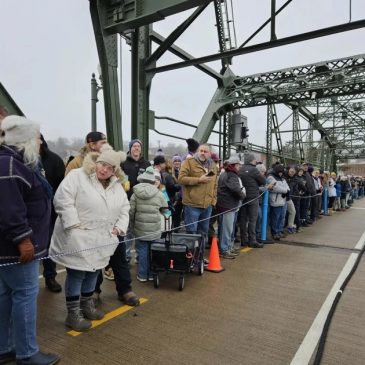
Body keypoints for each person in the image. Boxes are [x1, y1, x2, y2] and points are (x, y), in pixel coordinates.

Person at [49, 148, 130, 331]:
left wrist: (119, 228)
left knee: (94, 272)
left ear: (114, 171)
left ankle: (86, 305)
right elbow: (63, 199)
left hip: (103, 238)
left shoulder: (116, 186)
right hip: (78, 236)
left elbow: (125, 207)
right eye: (102, 164)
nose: (104, 170)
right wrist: (73, 225)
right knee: (77, 273)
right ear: (96, 161)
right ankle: (73, 313)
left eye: (110, 168)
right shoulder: (78, 176)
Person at [0, 116, 59, 365]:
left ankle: (5, 348)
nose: (39, 141)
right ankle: (27, 354)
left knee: (4, 297)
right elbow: (9, 209)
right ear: (25, 139)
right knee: (24, 296)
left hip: (8, 248)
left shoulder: (12, 162)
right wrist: (24, 240)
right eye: (36, 137)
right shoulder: (10, 166)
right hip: (18, 250)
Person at [129, 167, 168, 282]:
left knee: (142, 251)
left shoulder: (135, 193)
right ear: (152, 181)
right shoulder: (159, 194)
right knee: (153, 251)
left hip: (140, 229)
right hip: (154, 229)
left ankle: (142, 275)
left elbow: (131, 212)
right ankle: (151, 274)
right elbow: (165, 210)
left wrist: (132, 226)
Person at [39, 135, 65, 293]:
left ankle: (50, 277)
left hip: (49, 210)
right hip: (28, 212)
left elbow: (61, 187)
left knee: (49, 245)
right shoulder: (20, 160)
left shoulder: (54, 160)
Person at [178, 143, 218, 239]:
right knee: (192, 233)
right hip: (192, 205)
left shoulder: (212, 165)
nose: (202, 153)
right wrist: (199, 180)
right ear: (197, 152)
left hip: (207, 206)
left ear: (209, 154)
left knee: (203, 233)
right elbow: (181, 179)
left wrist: (213, 201)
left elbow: (215, 185)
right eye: (201, 151)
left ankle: (200, 253)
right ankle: (192, 254)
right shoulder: (188, 162)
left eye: (205, 151)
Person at [216, 156, 246, 259]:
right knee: (227, 230)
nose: (240, 166)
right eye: (238, 165)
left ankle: (227, 247)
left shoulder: (224, 174)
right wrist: (243, 196)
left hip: (223, 205)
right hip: (228, 206)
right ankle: (225, 250)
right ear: (234, 165)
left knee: (224, 229)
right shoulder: (232, 175)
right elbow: (235, 189)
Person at [238, 153, 266, 248]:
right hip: (253, 197)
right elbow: (263, 181)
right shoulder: (254, 170)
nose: (255, 161)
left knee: (243, 219)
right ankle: (252, 240)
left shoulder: (240, 169)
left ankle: (243, 240)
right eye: (254, 160)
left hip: (243, 197)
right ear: (251, 160)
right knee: (252, 220)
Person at [267, 164, 290, 241]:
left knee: (280, 217)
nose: (280, 173)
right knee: (275, 218)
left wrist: (286, 190)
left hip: (282, 200)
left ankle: (278, 231)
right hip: (275, 201)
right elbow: (275, 188)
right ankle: (274, 233)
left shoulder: (283, 178)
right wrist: (285, 191)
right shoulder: (271, 177)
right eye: (279, 172)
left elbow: (287, 187)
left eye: (281, 172)